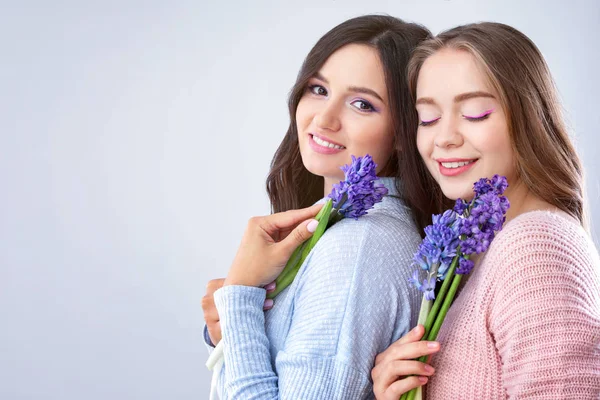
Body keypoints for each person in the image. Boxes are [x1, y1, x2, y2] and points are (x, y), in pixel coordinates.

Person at [200, 15, 439, 399]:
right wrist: (233, 327)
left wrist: (241, 295)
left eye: (362, 104)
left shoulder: (357, 247)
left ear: (403, 132)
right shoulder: (343, 228)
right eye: (318, 89)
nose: (324, 119)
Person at [371, 22, 600, 399]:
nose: (443, 137)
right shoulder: (483, 250)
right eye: (427, 118)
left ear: (528, 117)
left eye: (475, 113)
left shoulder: (535, 248)